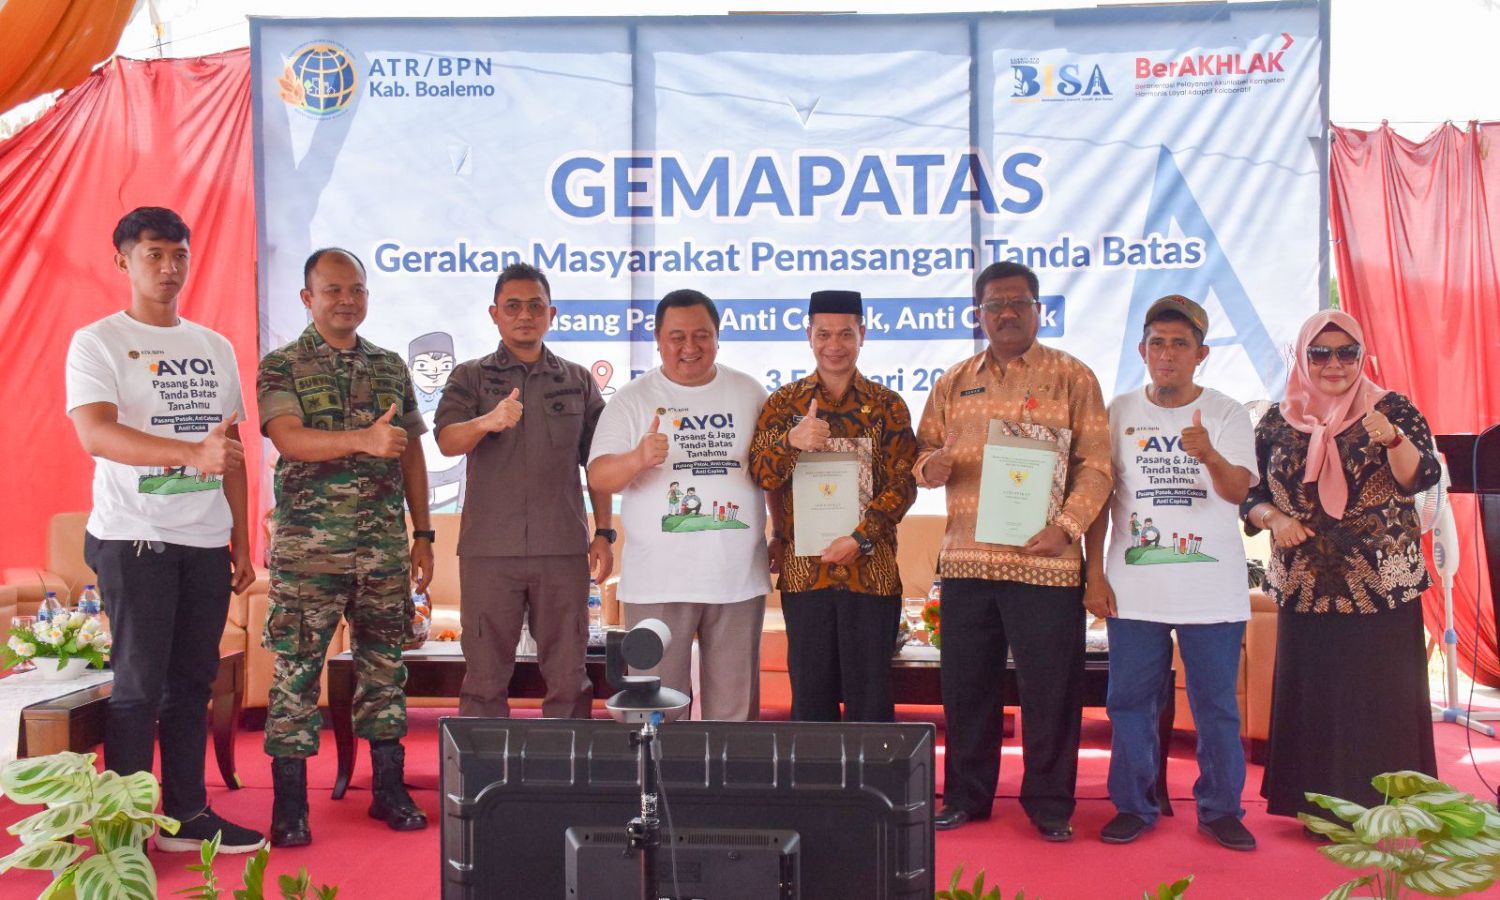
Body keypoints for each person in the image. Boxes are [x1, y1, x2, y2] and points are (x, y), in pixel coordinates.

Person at [66, 207, 265, 854]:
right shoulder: (97, 341)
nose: (169, 267)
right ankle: (124, 831)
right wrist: (189, 454)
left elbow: (230, 450)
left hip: (205, 542)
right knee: (137, 688)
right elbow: (97, 433)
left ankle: (186, 816)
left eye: (178, 254)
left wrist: (240, 539)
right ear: (122, 261)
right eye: (153, 254)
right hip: (134, 538)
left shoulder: (213, 346)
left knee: (191, 686)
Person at [914, 261, 1111, 839]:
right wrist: (929, 468)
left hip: (1045, 563)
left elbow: (1098, 466)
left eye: (1018, 303)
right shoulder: (954, 381)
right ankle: (967, 796)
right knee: (966, 688)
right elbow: (921, 454)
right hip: (967, 561)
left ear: (1038, 310)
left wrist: (1067, 527)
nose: (1006, 313)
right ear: (978, 314)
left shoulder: (1072, 377)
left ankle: (1050, 803)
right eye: (995, 304)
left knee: (1051, 690)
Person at [257, 248, 434, 846]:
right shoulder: (282, 365)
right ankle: (289, 805)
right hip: (308, 552)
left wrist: (424, 533)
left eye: (356, 289)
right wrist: (364, 439)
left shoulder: (389, 366)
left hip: (382, 547)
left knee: (385, 669)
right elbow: (289, 439)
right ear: (308, 298)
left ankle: (388, 789)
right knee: (297, 673)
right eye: (333, 290)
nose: (346, 300)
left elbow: (411, 451)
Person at [1241, 309, 1440, 822]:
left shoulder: (1392, 407)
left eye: (1346, 352)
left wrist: (1392, 439)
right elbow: (1250, 492)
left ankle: (1384, 807)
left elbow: (1422, 478)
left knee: (1379, 698)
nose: (1334, 363)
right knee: (1315, 699)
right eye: (1320, 353)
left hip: (1380, 585)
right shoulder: (1276, 419)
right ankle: (1312, 805)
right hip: (1306, 583)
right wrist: (1273, 518)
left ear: (1361, 355)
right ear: (1303, 358)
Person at [1084, 295, 1258, 851]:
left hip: (1213, 591)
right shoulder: (1118, 412)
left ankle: (1222, 810)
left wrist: (1209, 455)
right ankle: (1134, 806)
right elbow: (1097, 496)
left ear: (1201, 354)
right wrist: (1093, 573)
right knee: (1129, 703)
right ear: (1142, 350)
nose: (1167, 354)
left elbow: (1238, 492)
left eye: (1180, 344)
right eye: (1157, 343)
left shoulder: (1227, 413)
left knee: (1216, 707)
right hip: (1134, 590)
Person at [433, 263, 613, 719]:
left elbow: (599, 464)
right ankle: (484, 766)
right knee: (484, 679)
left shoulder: (577, 380)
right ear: (494, 314)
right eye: (512, 306)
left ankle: (566, 763)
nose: (525, 315)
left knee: (569, 677)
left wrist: (604, 532)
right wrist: (487, 421)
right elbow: (447, 440)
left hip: (562, 549)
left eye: (535, 306)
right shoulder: (469, 377)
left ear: (551, 314)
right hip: (490, 552)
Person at [586, 289, 770, 720]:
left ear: (718, 337)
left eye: (701, 335)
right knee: (655, 713)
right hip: (658, 583)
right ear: (658, 339)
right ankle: (661, 771)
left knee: (735, 716)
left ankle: (725, 771)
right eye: (677, 336)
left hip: (737, 578)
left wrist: (779, 533)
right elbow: (598, 475)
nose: (690, 347)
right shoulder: (632, 398)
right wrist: (637, 458)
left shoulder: (749, 392)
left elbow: (771, 472)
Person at [749, 289, 917, 722]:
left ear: (863, 334)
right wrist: (791, 442)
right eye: (824, 334)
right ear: (809, 335)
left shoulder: (888, 405)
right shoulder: (783, 404)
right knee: (810, 699)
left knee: (871, 701)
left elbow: (903, 484)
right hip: (806, 573)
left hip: (872, 573)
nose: (835, 344)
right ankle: (816, 773)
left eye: (846, 333)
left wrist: (860, 537)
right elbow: (761, 475)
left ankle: (872, 772)